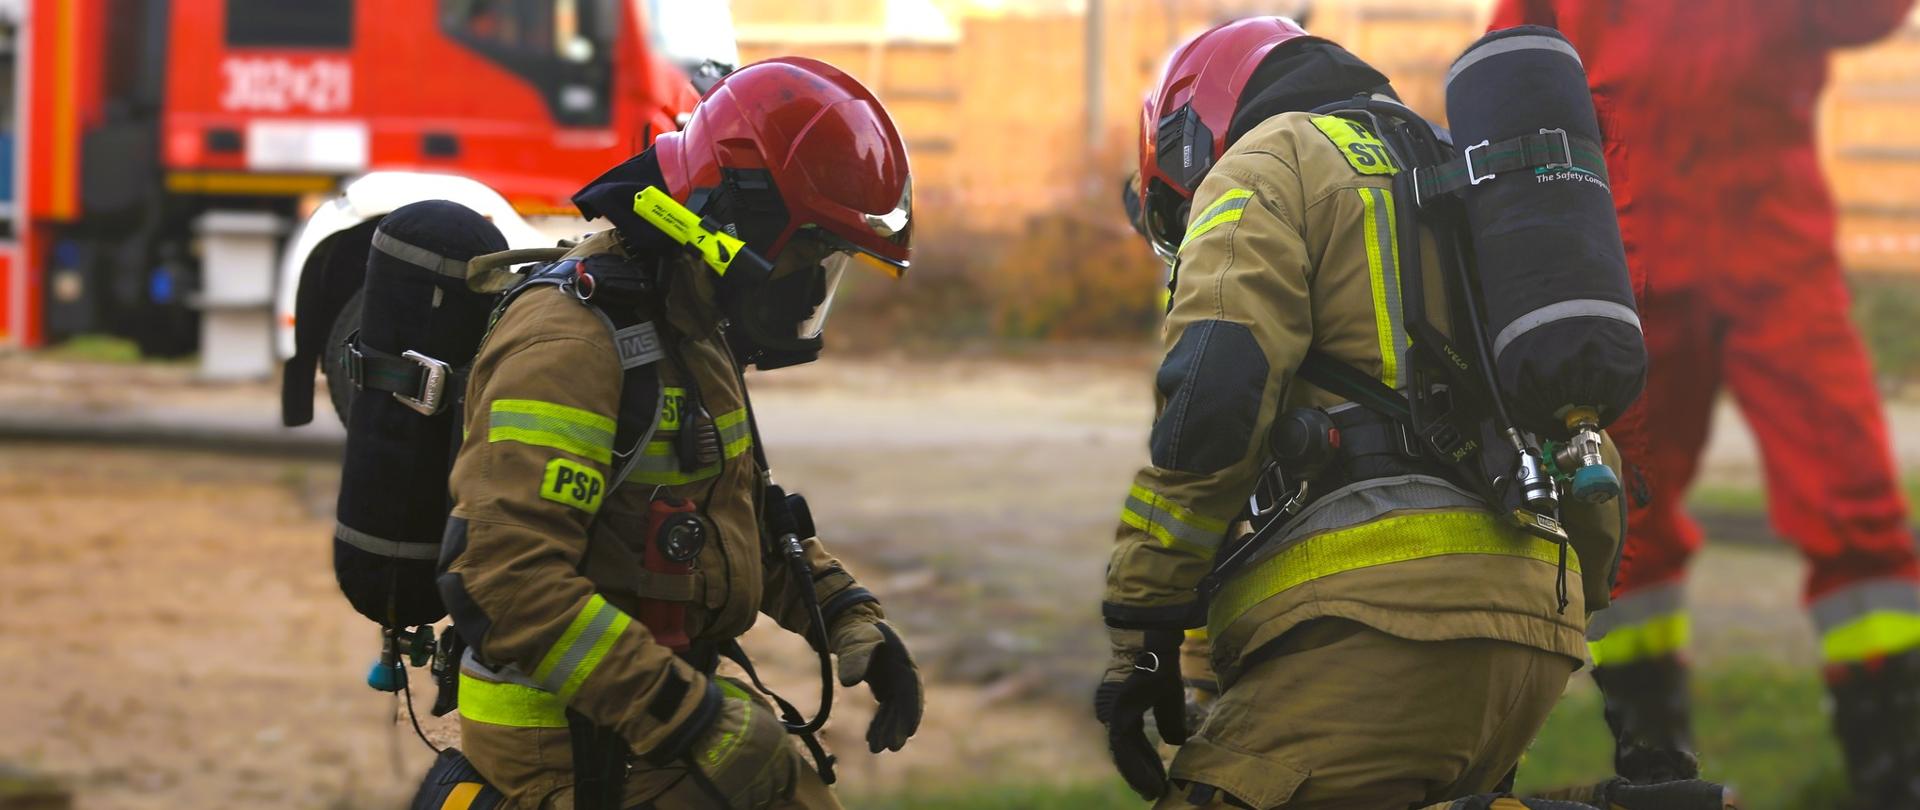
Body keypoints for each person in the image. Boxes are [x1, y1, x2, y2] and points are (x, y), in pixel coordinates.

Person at [1095, 18, 1626, 808]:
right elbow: (1582, 439)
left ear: (1188, 136)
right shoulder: (1470, 179)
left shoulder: (1269, 163)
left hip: (1373, 625)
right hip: (1538, 629)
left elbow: (1215, 401)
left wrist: (1142, 623)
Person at [437, 57, 924, 809]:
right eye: (811, 256)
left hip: (647, 726)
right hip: (569, 755)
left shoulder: (690, 329)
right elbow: (506, 579)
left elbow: (736, 517)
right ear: (743, 220)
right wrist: (689, 718)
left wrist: (845, 617)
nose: (810, 287)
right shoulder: (570, 343)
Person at [1488, 2, 1920, 801]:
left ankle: (1894, 748)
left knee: (1849, 488)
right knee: (1630, 515)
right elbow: (1508, 72)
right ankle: (1651, 751)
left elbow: (1862, 16)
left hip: (1772, 247)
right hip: (1634, 257)